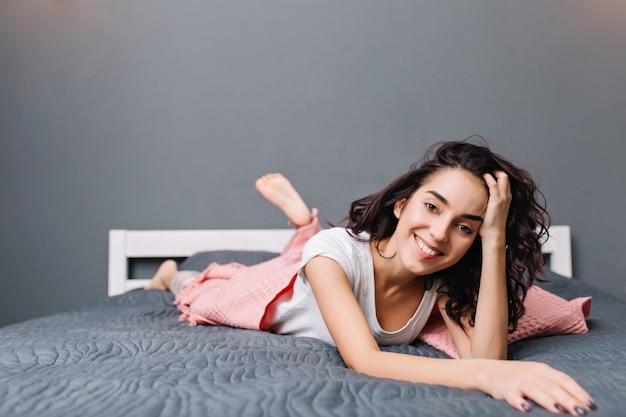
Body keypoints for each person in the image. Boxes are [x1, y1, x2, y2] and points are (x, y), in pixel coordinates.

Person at [146, 140, 596, 416]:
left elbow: (489, 354)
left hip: (332, 261)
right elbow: (366, 360)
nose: (439, 234)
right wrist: (484, 378)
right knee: (205, 288)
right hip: (284, 291)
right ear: (402, 205)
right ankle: (172, 274)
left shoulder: (444, 284)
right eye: (432, 207)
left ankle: (303, 224)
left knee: (313, 249)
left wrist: (494, 239)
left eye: (465, 226)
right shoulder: (334, 255)